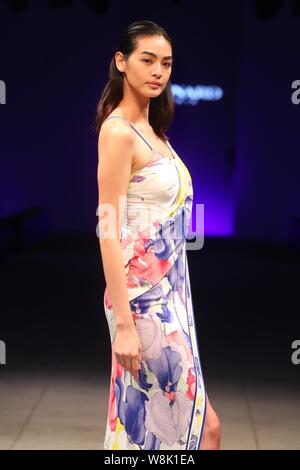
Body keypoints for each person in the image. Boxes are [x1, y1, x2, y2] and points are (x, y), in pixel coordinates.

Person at [95, 20, 221, 450]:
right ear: (121, 62)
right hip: (142, 304)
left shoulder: (155, 133)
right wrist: (125, 326)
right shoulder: (118, 133)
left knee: (164, 437)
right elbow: (108, 229)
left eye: (165, 63)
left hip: (170, 300)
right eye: (147, 60)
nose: (158, 71)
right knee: (185, 433)